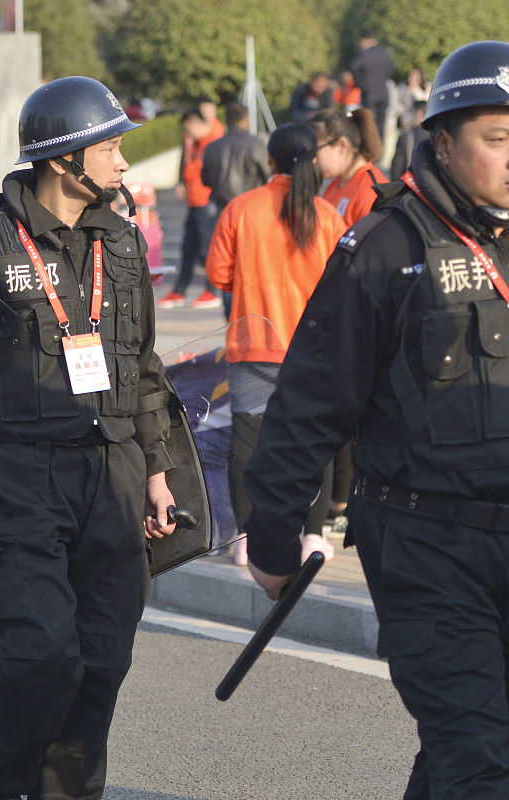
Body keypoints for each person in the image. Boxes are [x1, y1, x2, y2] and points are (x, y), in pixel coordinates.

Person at [243, 40, 509, 798]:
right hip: (429, 548)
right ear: (444, 140)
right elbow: (311, 402)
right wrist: (272, 535)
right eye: (497, 140)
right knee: (478, 758)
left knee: (473, 752)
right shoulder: (383, 247)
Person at [0, 75, 178, 800]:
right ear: (64, 159)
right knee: (40, 652)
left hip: (116, 474)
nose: (124, 163)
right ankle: (2, 784)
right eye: (112, 148)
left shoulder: (121, 242)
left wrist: (157, 470)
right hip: (23, 476)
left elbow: (144, 367)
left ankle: (67, 791)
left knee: (104, 656)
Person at [204, 123, 347, 567]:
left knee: (247, 439)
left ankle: (247, 539)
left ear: (270, 161)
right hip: (312, 349)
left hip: (253, 343)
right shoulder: (326, 215)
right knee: (312, 441)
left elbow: (217, 275)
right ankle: (313, 536)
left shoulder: (241, 209)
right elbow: (343, 282)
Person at [157, 108, 224, 308]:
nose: (187, 133)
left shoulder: (213, 143)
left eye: (189, 129)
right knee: (188, 249)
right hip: (194, 201)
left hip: (205, 202)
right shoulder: (194, 143)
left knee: (206, 248)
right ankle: (179, 290)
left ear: (197, 124)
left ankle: (213, 290)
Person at [312, 107, 388, 227]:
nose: (313, 159)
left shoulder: (373, 191)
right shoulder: (333, 185)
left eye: (316, 150)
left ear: (342, 146)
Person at [200, 102, 271, 211]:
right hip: (250, 206)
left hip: (223, 209)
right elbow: (268, 174)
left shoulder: (212, 147)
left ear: (226, 121)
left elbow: (205, 179)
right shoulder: (256, 144)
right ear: (246, 120)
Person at [349, 31, 396, 136]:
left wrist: (361, 83)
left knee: (369, 126)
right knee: (381, 127)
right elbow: (391, 71)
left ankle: (371, 150)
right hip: (383, 95)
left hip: (369, 94)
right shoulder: (385, 53)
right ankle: (380, 150)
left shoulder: (365, 54)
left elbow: (353, 67)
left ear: (364, 40)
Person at [391, 100, 430, 179]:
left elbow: (396, 169)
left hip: (411, 185)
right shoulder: (437, 138)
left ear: (419, 114)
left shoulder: (406, 137)